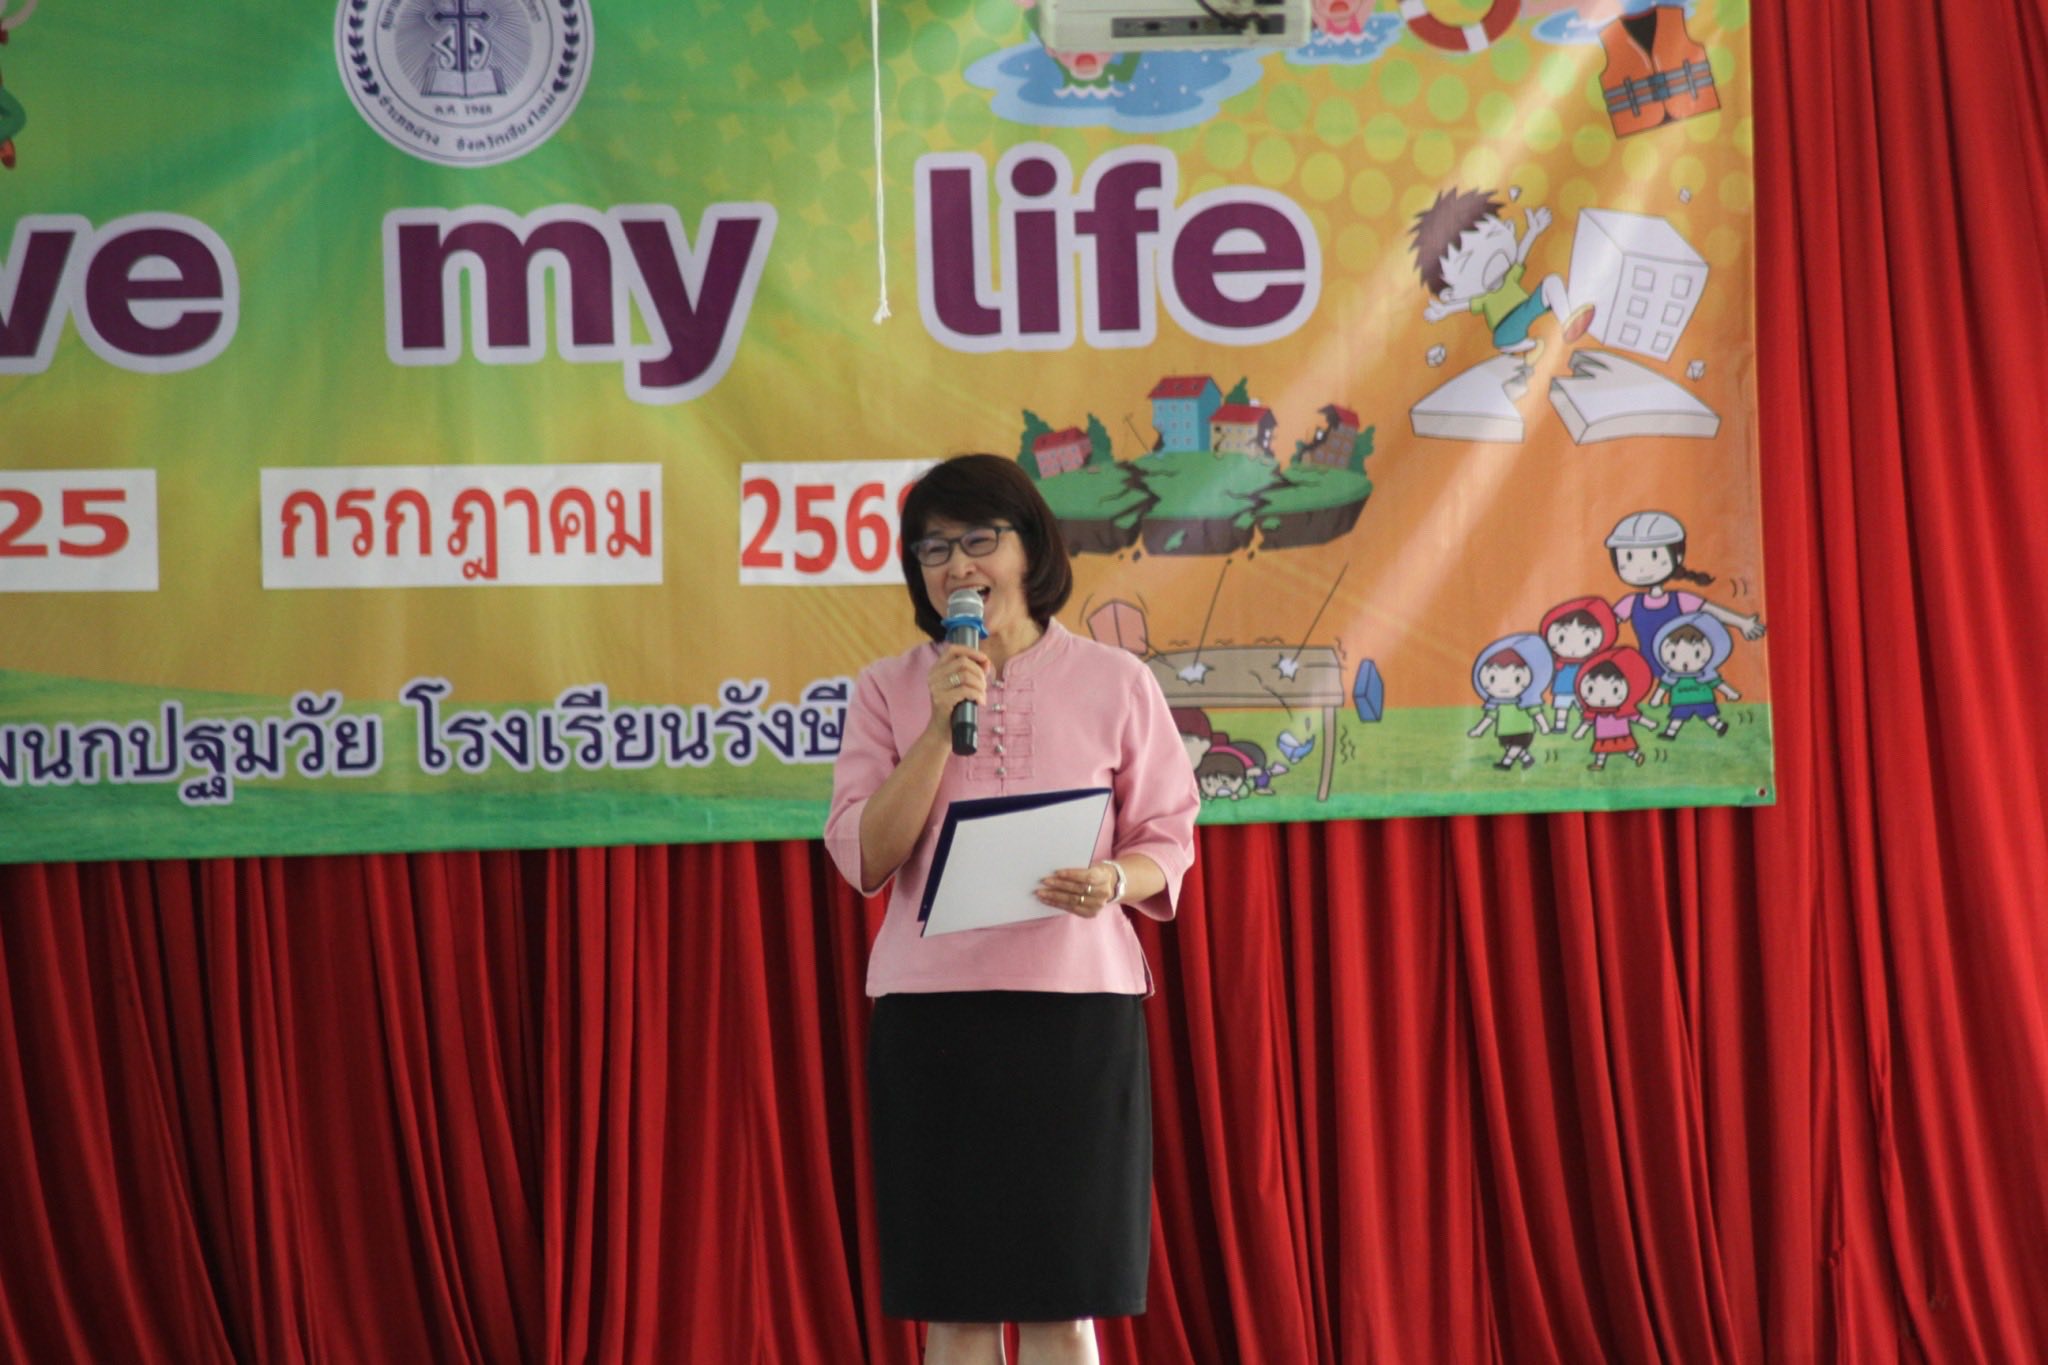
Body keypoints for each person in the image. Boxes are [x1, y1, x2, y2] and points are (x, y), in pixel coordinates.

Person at [825, 454, 1199, 1365]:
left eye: (978, 540)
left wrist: (1112, 880)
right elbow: (865, 854)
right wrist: (936, 726)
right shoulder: (885, 688)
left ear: (1030, 547)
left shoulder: (1117, 680)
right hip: (934, 1021)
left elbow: (1167, 833)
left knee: (1063, 1303)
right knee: (954, 1304)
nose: (956, 565)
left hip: (1076, 1018)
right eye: (933, 549)